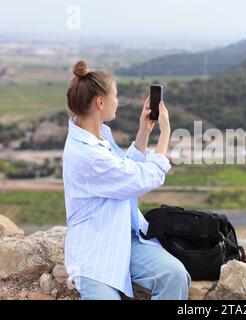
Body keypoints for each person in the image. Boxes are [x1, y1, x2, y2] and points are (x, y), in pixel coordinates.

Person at [62, 60, 191, 300]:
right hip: (95, 249)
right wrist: (165, 134)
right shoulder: (87, 154)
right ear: (100, 102)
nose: (117, 102)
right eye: (116, 96)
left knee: (174, 276)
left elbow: (123, 171)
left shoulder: (99, 136)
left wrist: (145, 132)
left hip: (127, 237)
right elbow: (140, 179)